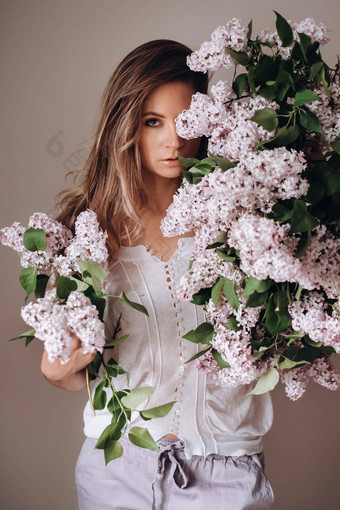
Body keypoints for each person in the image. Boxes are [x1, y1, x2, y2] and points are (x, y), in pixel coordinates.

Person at [40, 39, 274, 510]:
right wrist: (57, 370)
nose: (174, 140)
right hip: (117, 469)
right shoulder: (86, 233)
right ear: (125, 126)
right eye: (153, 122)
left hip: (226, 469)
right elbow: (84, 374)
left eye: (186, 121)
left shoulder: (242, 220)